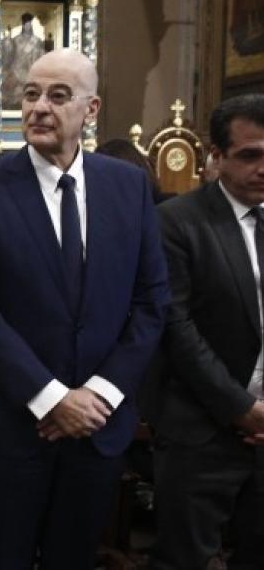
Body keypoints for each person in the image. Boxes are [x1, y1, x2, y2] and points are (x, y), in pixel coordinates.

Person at [0, 49, 169, 568]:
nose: (39, 107)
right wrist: (51, 399)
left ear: (91, 109)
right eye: (31, 94)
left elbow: (151, 301)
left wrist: (97, 396)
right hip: (14, 424)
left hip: (97, 426)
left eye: (58, 95)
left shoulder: (128, 185)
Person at [143, 94, 264, 569]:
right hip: (203, 429)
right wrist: (241, 409)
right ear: (216, 156)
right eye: (249, 155)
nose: (262, 168)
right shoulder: (177, 221)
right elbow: (176, 326)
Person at [1, 13, 46, 109]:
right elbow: (9, 57)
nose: (27, 26)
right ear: (22, 25)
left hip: (32, 72)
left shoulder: (37, 41)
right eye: (25, 24)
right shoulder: (16, 40)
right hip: (16, 72)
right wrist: (7, 42)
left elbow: (41, 57)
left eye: (29, 24)